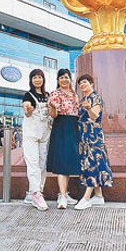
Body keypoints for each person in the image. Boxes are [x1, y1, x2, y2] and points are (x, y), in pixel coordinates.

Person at [73, 74, 113, 210]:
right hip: (83, 136)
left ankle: (86, 198)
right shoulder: (83, 99)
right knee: (91, 162)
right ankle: (99, 196)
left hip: (93, 135)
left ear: (91, 84)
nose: (82, 85)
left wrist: (89, 108)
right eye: (80, 83)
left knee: (92, 163)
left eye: (85, 82)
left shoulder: (95, 97)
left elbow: (95, 116)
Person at [47, 68, 80, 209]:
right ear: (58, 80)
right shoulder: (55, 94)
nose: (64, 80)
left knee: (68, 160)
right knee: (62, 160)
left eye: (66, 77)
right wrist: (53, 107)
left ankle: (65, 193)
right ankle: (61, 196)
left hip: (73, 126)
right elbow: (53, 115)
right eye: (61, 78)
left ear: (70, 79)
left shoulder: (74, 94)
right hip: (61, 126)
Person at [21, 68, 52, 211]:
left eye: (40, 77)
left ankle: (35, 192)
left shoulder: (48, 95)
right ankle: (36, 193)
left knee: (42, 163)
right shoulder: (28, 95)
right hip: (31, 134)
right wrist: (28, 110)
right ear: (31, 80)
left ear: (43, 79)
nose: (37, 79)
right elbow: (26, 111)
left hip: (45, 133)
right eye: (34, 77)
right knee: (32, 162)